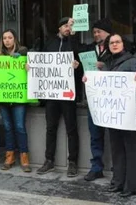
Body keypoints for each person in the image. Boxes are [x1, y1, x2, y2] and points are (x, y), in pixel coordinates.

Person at [84, 33, 136, 197]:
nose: (115, 44)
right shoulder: (107, 64)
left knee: (130, 150)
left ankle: (132, 185)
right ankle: (118, 182)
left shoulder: (133, 62)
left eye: (118, 42)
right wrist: (89, 80)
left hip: (129, 114)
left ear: (124, 44)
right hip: (114, 114)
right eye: (112, 42)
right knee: (116, 149)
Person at [37, 17, 81, 177]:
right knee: (50, 128)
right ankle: (49, 160)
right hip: (52, 93)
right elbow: (41, 61)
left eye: (70, 26)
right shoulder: (50, 42)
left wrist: (77, 65)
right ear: (59, 28)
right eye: (65, 26)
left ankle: (73, 162)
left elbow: (80, 57)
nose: (68, 28)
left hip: (68, 93)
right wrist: (31, 66)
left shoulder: (74, 42)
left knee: (71, 128)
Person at [0, 29, 31, 172]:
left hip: (18, 99)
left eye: (10, 37)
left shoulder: (23, 52)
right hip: (3, 99)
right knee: (7, 128)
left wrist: (27, 65)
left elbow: (31, 62)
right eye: (4, 38)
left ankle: (24, 157)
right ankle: (9, 156)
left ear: (15, 39)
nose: (7, 40)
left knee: (20, 127)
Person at [83, 18, 112, 181]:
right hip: (94, 99)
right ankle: (96, 167)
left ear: (107, 32)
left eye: (98, 31)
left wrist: (104, 66)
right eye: (93, 32)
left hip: (112, 100)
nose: (95, 34)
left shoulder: (118, 46)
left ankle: (119, 167)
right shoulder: (88, 49)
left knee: (115, 135)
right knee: (95, 135)